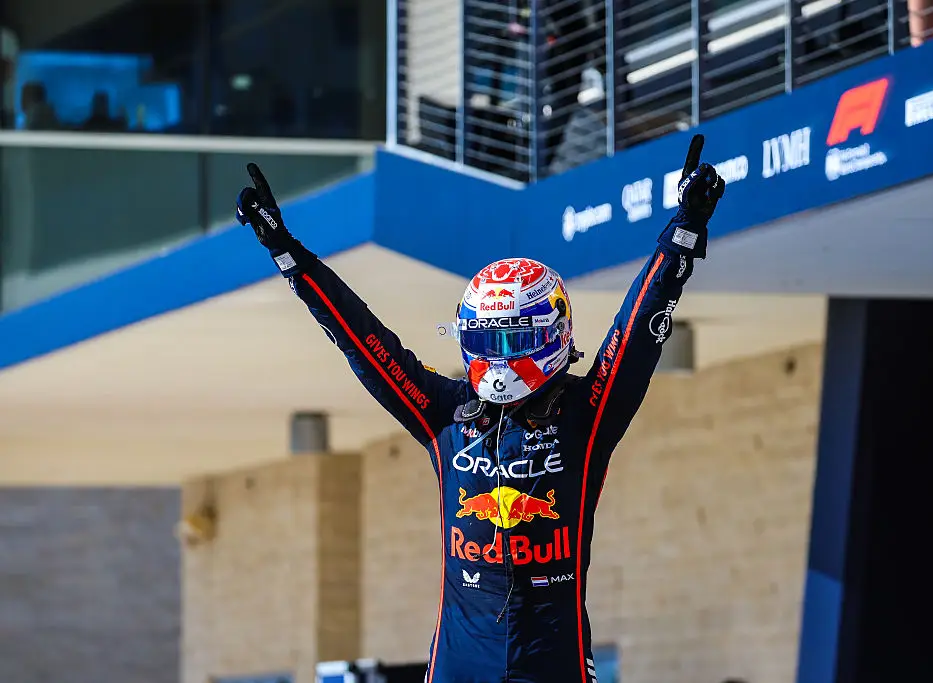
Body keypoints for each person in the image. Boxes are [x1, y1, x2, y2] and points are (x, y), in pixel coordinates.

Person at [235, 135, 725, 683]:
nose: (499, 358)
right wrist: (288, 255)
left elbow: (636, 331)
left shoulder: (588, 415)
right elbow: (365, 343)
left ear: (552, 335)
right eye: (485, 340)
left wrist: (682, 232)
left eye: (514, 341)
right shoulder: (444, 413)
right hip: (460, 660)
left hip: (553, 657)